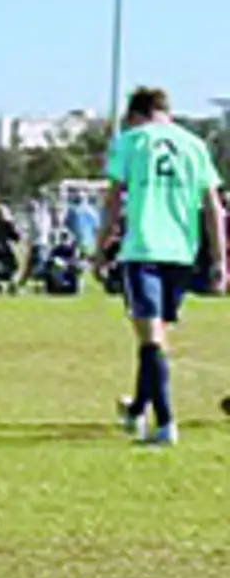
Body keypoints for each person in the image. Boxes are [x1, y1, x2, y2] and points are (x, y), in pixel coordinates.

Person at [97, 86, 223, 445]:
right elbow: (213, 206)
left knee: (150, 336)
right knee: (154, 337)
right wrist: (219, 260)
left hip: (142, 250)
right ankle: (138, 409)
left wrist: (101, 245)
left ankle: (165, 423)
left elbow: (113, 197)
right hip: (182, 253)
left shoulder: (132, 141)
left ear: (137, 114)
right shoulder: (194, 145)